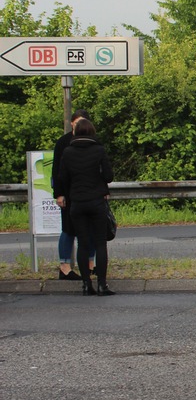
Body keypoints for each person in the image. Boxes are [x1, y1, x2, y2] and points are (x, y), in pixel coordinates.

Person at [56, 118, 115, 296]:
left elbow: (62, 178)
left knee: (82, 243)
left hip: (77, 203)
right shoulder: (99, 150)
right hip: (96, 201)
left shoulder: (68, 152)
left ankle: (86, 284)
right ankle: (102, 285)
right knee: (99, 244)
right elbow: (108, 176)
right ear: (92, 132)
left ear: (75, 132)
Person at [51, 109, 89, 280]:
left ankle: (91, 264)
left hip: (87, 192)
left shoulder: (91, 141)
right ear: (72, 122)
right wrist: (58, 194)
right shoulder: (63, 142)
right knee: (67, 229)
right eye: (77, 121)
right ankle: (65, 266)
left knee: (90, 229)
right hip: (68, 193)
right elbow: (56, 171)